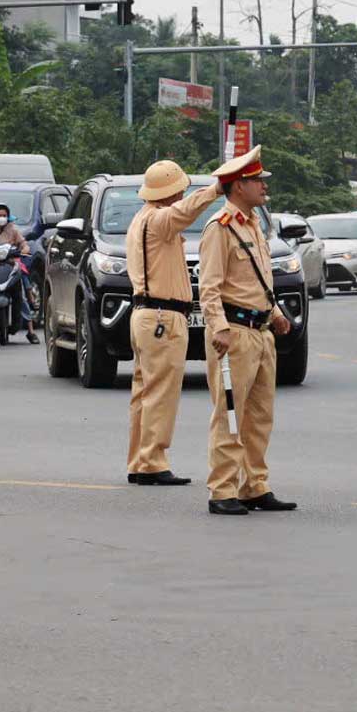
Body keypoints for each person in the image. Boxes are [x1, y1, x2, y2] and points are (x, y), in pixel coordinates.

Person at [198, 145, 294, 515]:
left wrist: (275, 313)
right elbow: (209, 286)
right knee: (230, 416)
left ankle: (255, 485)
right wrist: (218, 327)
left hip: (261, 331)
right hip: (234, 334)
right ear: (238, 186)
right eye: (257, 180)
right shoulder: (219, 229)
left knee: (259, 416)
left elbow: (257, 280)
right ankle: (222, 490)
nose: (263, 186)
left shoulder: (254, 225)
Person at [124, 160, 224, 487]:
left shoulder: (140, 220)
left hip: (146, 317)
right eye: (180, 189)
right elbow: (183, 213)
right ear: (171, 191)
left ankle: (141, 459)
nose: (183, 194)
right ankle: (152, 461)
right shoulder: (157, 219)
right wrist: (216, 190)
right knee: (161, 394)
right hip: (163, 318)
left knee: (144, 394)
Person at [0, 202, 31, 345]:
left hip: (11, 264)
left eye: (4, 215)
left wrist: (24, 249)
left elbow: (24, 244)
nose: (2, 218)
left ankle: (30, 329)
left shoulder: (13, 230)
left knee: (22, 291)